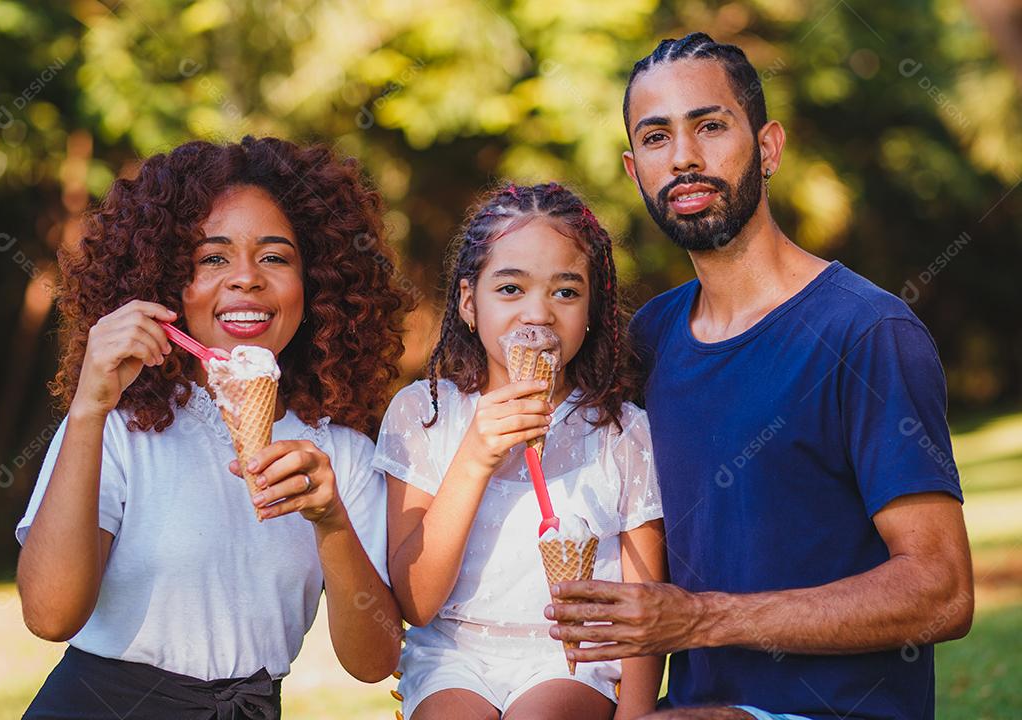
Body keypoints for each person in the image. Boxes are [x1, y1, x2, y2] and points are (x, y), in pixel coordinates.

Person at [546, 33, 974, 720]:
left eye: (709, 126)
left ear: (768, 147)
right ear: (634, 171)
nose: (683, 157)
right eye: (657, 138)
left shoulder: (865, 332)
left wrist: (702, 619)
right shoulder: (646, 340)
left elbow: (942, 591)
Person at [15, 136, 408, 718]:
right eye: (212, 257)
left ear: (317, 284)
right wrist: (89, 408)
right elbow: (49, 616)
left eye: (275, 257)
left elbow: (374, 662)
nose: (245, 278)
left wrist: (330, 521)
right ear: (167, 281)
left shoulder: (338, 452)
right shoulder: (118, 427)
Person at [376, 183, 666, 720]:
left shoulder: (623, 432)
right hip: (452, 654)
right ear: (468, 302)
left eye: (565, 292)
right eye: (510, 289)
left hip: (571, 657)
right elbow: (416, 603)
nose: (538, 313)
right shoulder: (424, 413)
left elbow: (643, 607)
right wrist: (475, 456)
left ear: (592, 308)